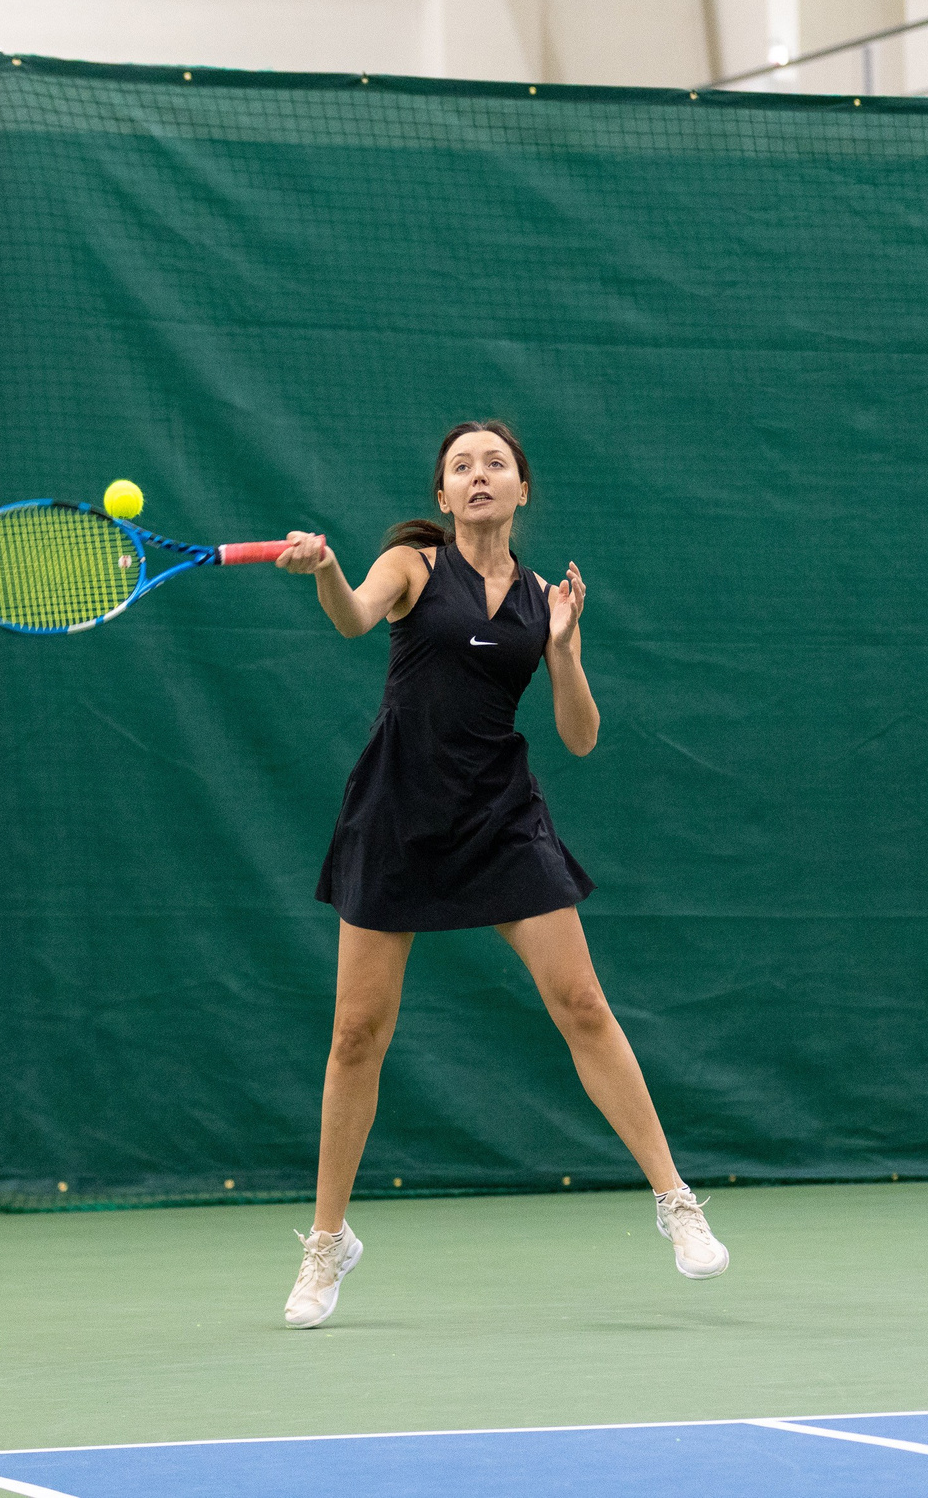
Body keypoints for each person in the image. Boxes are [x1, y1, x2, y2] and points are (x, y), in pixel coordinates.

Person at [272, 419, 726, 1330]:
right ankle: (328, 1245)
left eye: (496, 465)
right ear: (442, 497)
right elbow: (355, 616)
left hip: (501, 817)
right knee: (356, 1034)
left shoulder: (539, 599)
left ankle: (676, 1201)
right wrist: (324, 568)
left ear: (523, 491)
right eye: (461, 467)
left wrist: (563, 648)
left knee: (583, 1006)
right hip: (397, 815)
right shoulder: (413, 562)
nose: (479, 476)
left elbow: (582, 736)